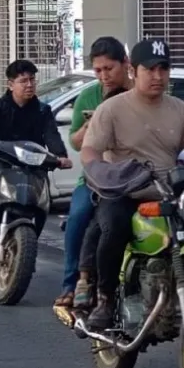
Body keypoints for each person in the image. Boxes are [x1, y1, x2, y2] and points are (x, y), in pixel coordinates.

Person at [80, 38, 184, 330]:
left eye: (164, 68)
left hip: (170, 193)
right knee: (113, 228)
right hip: (125, 190)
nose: (158, 76)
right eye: (150, 69)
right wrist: (98, 170)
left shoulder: (181, 110)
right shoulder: (111, 109)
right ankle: (105, 299)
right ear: (134, 71)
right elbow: (89, 150)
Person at [0, 59, 72, 257]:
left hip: (32, 165)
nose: (29, 85)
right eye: (23, 81)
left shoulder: (43, 110)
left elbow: (51, 135)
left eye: (32, 80)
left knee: (43, 196)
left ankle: (29, 244)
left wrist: (60, 156)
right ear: (10, 85)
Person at [54, 36, 132, 310]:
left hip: (136, 175)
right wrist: (92, 125)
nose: (104, 76)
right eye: (98, 70)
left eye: (109, 69)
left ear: (125, 65)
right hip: (97, 176)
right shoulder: (88, 96)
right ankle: (72, 282)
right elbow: (75, 142)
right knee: (78, 216)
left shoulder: (140, 93)